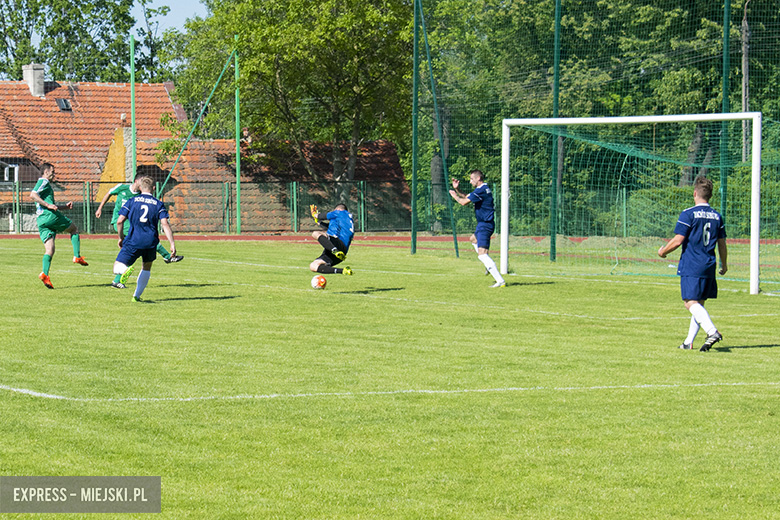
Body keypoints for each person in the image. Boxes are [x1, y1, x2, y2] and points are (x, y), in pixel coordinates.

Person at [658, 175, 728, 352]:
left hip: (692, 264)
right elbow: (722, 244)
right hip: (709, 264)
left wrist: (663, 251)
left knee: (689, 302)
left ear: (695, 193)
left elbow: (678, 240)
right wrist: (724, 265)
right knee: (699, 304)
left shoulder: (688, 214)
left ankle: (712, 331)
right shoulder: (717, 216)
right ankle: (688, 342)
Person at [95, 180, 183, 288]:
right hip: (121, 223)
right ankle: (166, 256)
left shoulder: (140, 196)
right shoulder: (122, 188)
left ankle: (117, 281)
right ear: (136, 181)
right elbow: (109, 193)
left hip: (131, 224)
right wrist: (100, 208)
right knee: (142, 242)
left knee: (133, 251)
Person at [113, 176, 177, 302]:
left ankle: (125, 270)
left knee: (117, 267)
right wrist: (172, 244)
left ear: (140, 187)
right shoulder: (158, 204)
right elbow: (165, 224)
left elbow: (119, 221)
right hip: (151, 242)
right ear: (153, 188)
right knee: (146, 267)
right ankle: (136, 296)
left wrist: (120, 238)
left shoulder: (132, 201)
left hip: (133, 240)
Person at [29, 162, 89, 289]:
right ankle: (77, 256)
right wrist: (48, 205)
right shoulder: (43, 182)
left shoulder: (45, 186)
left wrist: (64, 207)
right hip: (49, 216)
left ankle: (45, 274)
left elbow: (50, 205)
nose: (54, 174)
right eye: (52, 171)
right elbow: (33, 195)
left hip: (41, 220)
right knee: (74, 229)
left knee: (50, 250)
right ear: (46, 172)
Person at [449, 169, 506, 288]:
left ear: (478, 178)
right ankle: (487, 264)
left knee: (482, 255)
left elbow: (464, 202)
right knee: (473, 239)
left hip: (485, 225)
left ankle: (500, 281)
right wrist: (457, 189)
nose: (470, 182)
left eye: (471, 179)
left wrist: (454, 196)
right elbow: (467, 197)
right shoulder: (482, 190)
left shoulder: (481, 191)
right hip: (483, 224)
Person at [308, 203, 354, 276]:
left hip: (337, 243)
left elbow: (323, 216)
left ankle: (334, 250)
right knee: (313, 266)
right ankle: (343, 271)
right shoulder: (346, 219)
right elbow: (330, 227)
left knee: (315, 233)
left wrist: (316, 215)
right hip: (342, 252)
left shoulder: (339, 212)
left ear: (338, 209)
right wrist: (319, 222)